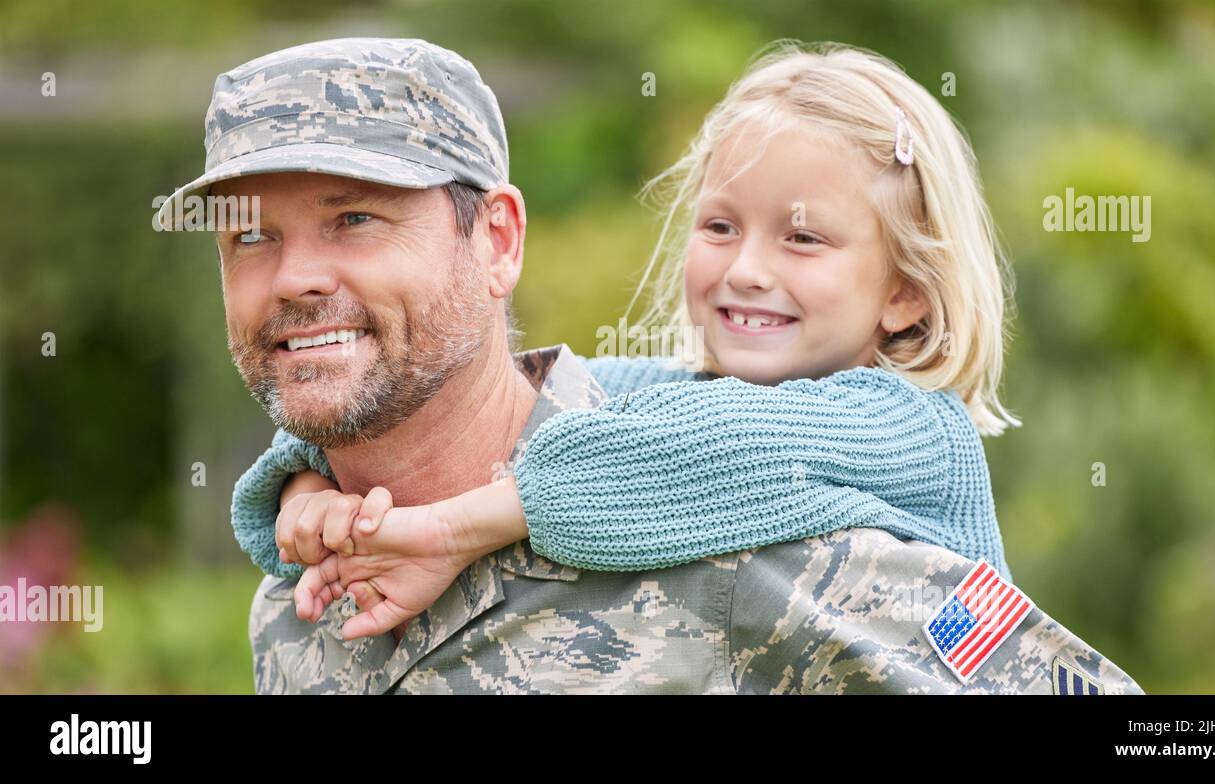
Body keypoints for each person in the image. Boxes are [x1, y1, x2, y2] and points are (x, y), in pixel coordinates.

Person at [160, 36, 1142, 693]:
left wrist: (471, 521)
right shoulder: (301, 593)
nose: (293, 278)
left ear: (498, 240)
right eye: (248, 237)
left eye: (356, 219)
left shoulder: (755, 525)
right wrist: (284, 490)